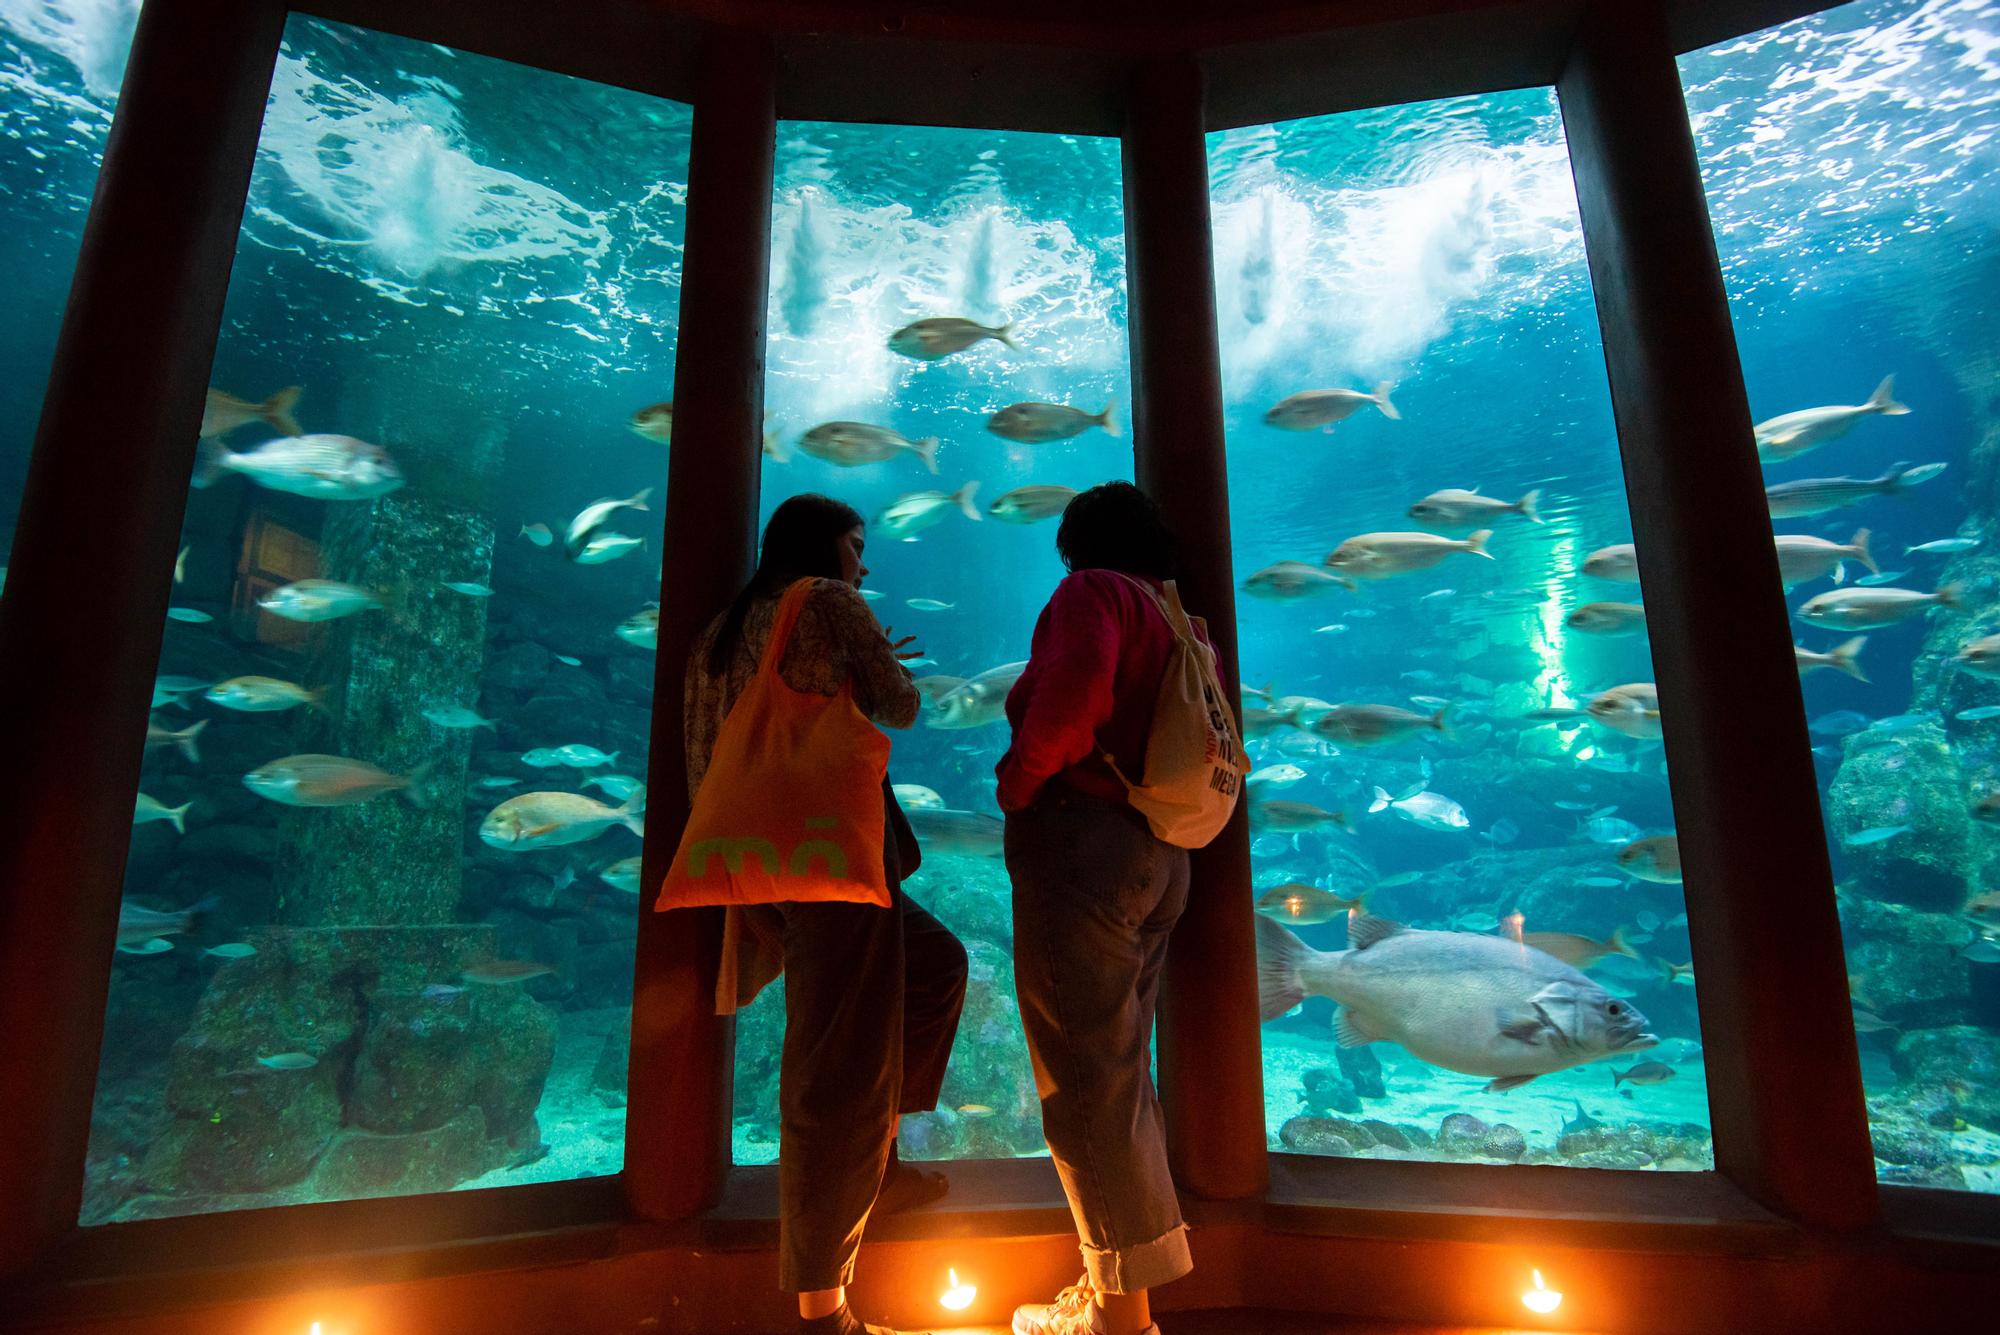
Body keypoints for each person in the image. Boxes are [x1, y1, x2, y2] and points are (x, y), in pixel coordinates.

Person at [684, 493, 969, 1335]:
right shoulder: (831, 602)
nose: (864, 563)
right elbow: (903, 705)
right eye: (856, 543)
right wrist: (882, 661)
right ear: (823, 548)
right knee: (832, 1073)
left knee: (938, 965)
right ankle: (822, 1306)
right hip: (830, 862)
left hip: (762, 863)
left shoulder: (723, 628)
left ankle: (876, 1163)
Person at [996, 482, 1200, 1335]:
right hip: (1160, 855)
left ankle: (1124, 1322)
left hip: (1084, 848)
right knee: (1120, 1080)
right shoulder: (1176, 618)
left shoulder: (1095, 594)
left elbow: (1070, 701)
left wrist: (1017, 786)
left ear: (1078, 544)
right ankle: (1116, 1287)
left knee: (1084, 1083)